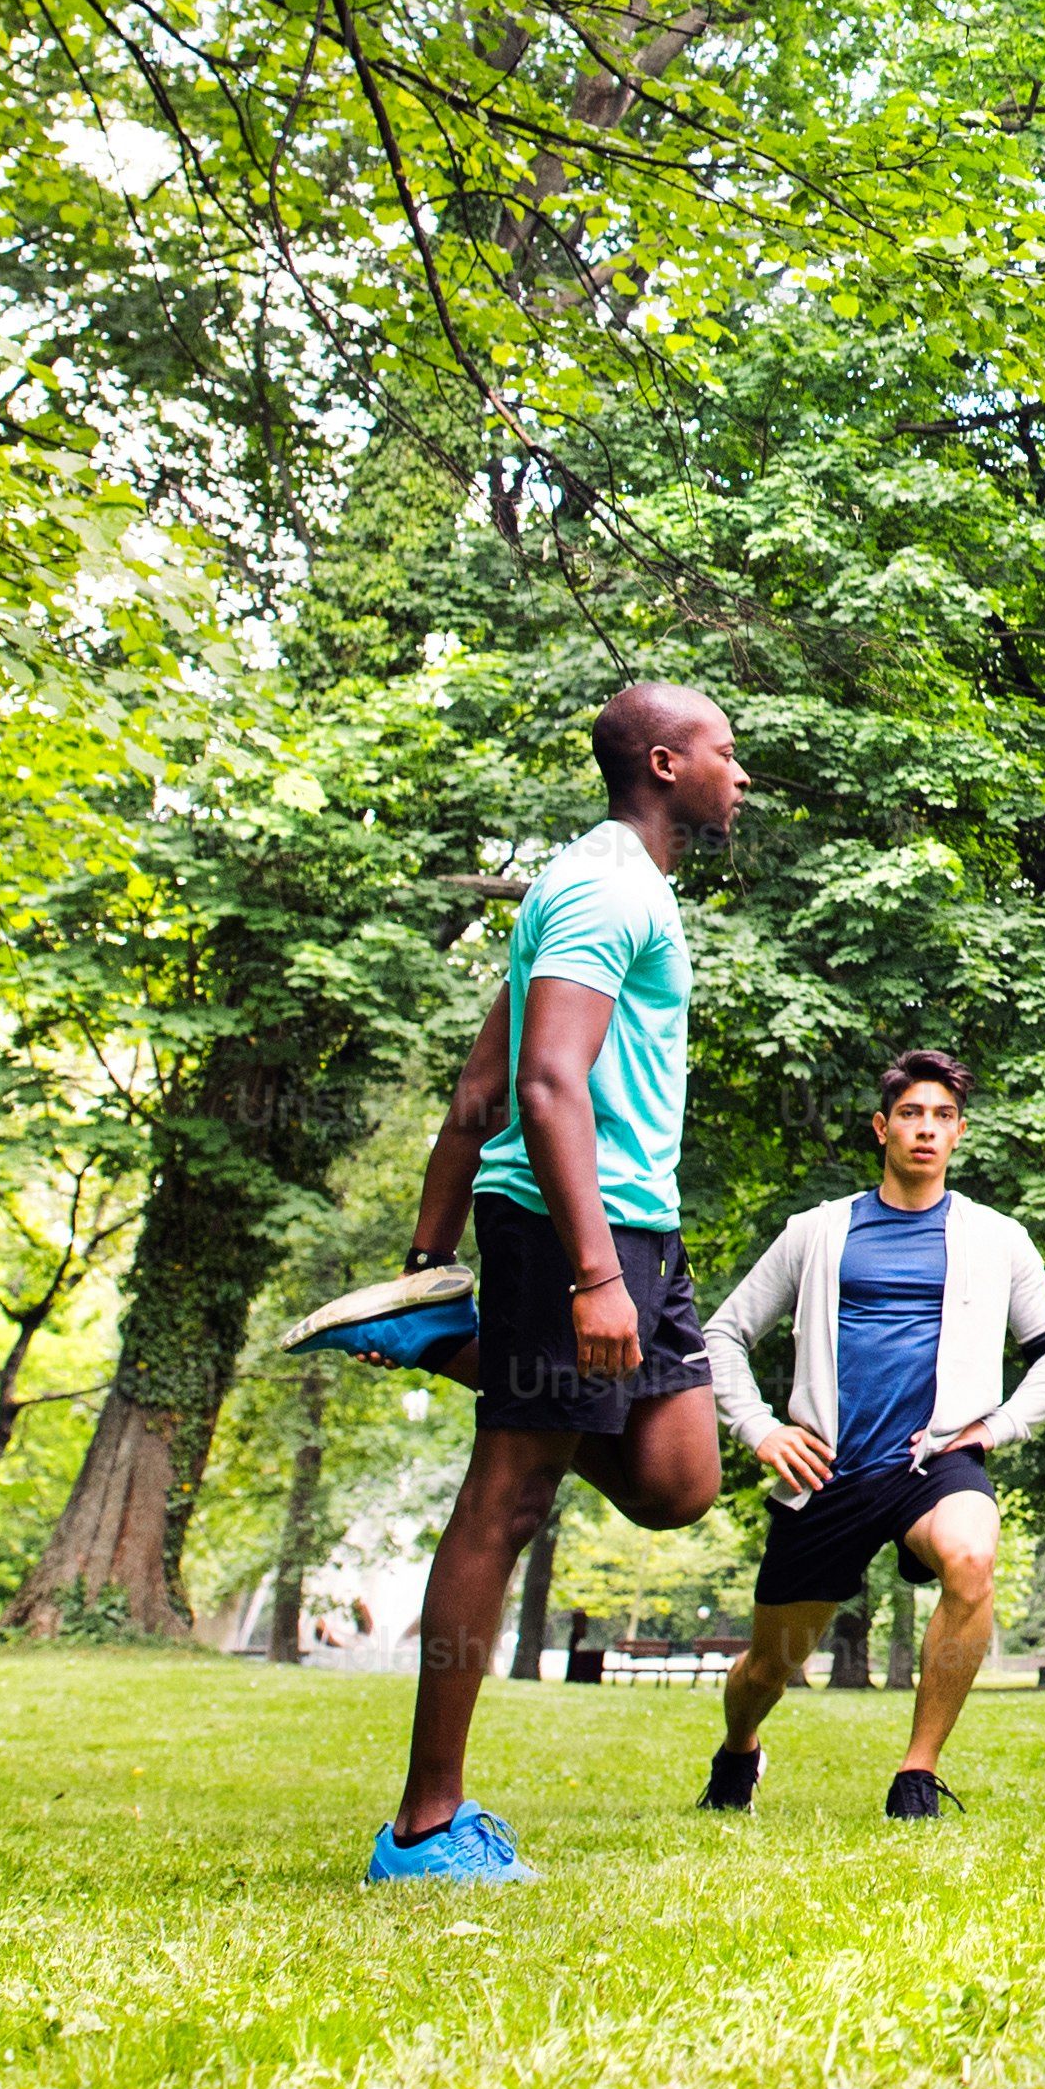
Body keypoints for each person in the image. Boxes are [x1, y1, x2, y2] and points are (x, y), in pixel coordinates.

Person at [356, 681, 744, 1884]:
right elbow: (538, 1087)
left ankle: (450, 1339)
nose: (743, 775)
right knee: (510, 1493)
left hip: (638, 1228)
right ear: (668, 765)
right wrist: (585, 1275)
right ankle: (425, 1825)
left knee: (679, 1478)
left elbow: (477, 1078)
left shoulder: (600, 886)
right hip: (568, 1228)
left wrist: (424, 1263)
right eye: (727, 754)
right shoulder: (601, 885)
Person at [699, 1048, 1045, 1820]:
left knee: (973, 1557)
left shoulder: (997, 1238)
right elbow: (721, 1334)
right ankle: (739, 1750)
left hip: (933, 1464)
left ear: (959, 1134)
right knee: (765, 1672)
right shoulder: (816, 1231)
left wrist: (994, 1427)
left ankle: (917, 1772)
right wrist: (761, 1429)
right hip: (825, 1475)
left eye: (942, 1117)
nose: (926, 1129)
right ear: (882, 1128)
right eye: (911, 1114)